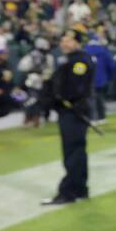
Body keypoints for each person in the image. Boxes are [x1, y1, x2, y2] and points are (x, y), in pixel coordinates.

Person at [43, 28, 93, 205]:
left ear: (78, 42)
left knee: (72, 151)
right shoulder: (71, 60)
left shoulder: (79, 61)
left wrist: (57, 98)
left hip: (73, 111)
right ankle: (80, 189)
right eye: (63, 39)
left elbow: (73, 89)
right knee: (77, 151)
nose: (64, 43)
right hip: (72, 110)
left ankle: (68, 192)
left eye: (69, 40)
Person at [85, 32, 113, 124]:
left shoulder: (84, 50)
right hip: (101, 79)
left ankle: (92, 118)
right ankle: (101, 118)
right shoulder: (103, 51)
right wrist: (109, 77)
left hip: (87, 78)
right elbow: (111, 66)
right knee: (99, 97)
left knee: (90, 98)